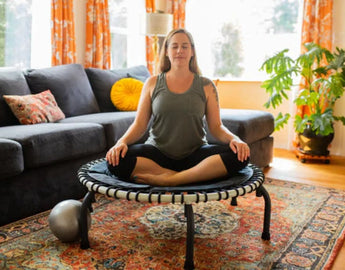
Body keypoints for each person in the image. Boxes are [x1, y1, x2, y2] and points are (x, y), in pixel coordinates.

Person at [106, 28, 250, 187]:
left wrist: (235, 139)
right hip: (157, 154)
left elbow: (216, 127)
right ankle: (190, 177)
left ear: (192, 51)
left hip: (196, 154)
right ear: (166, 51)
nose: (179, 51)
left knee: (240, 156)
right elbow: (139, 125)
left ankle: (170, 180)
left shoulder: (207, 86)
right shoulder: (152, 83)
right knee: (115, 161)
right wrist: (121, 142)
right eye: (174, 46)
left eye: (185, 46)